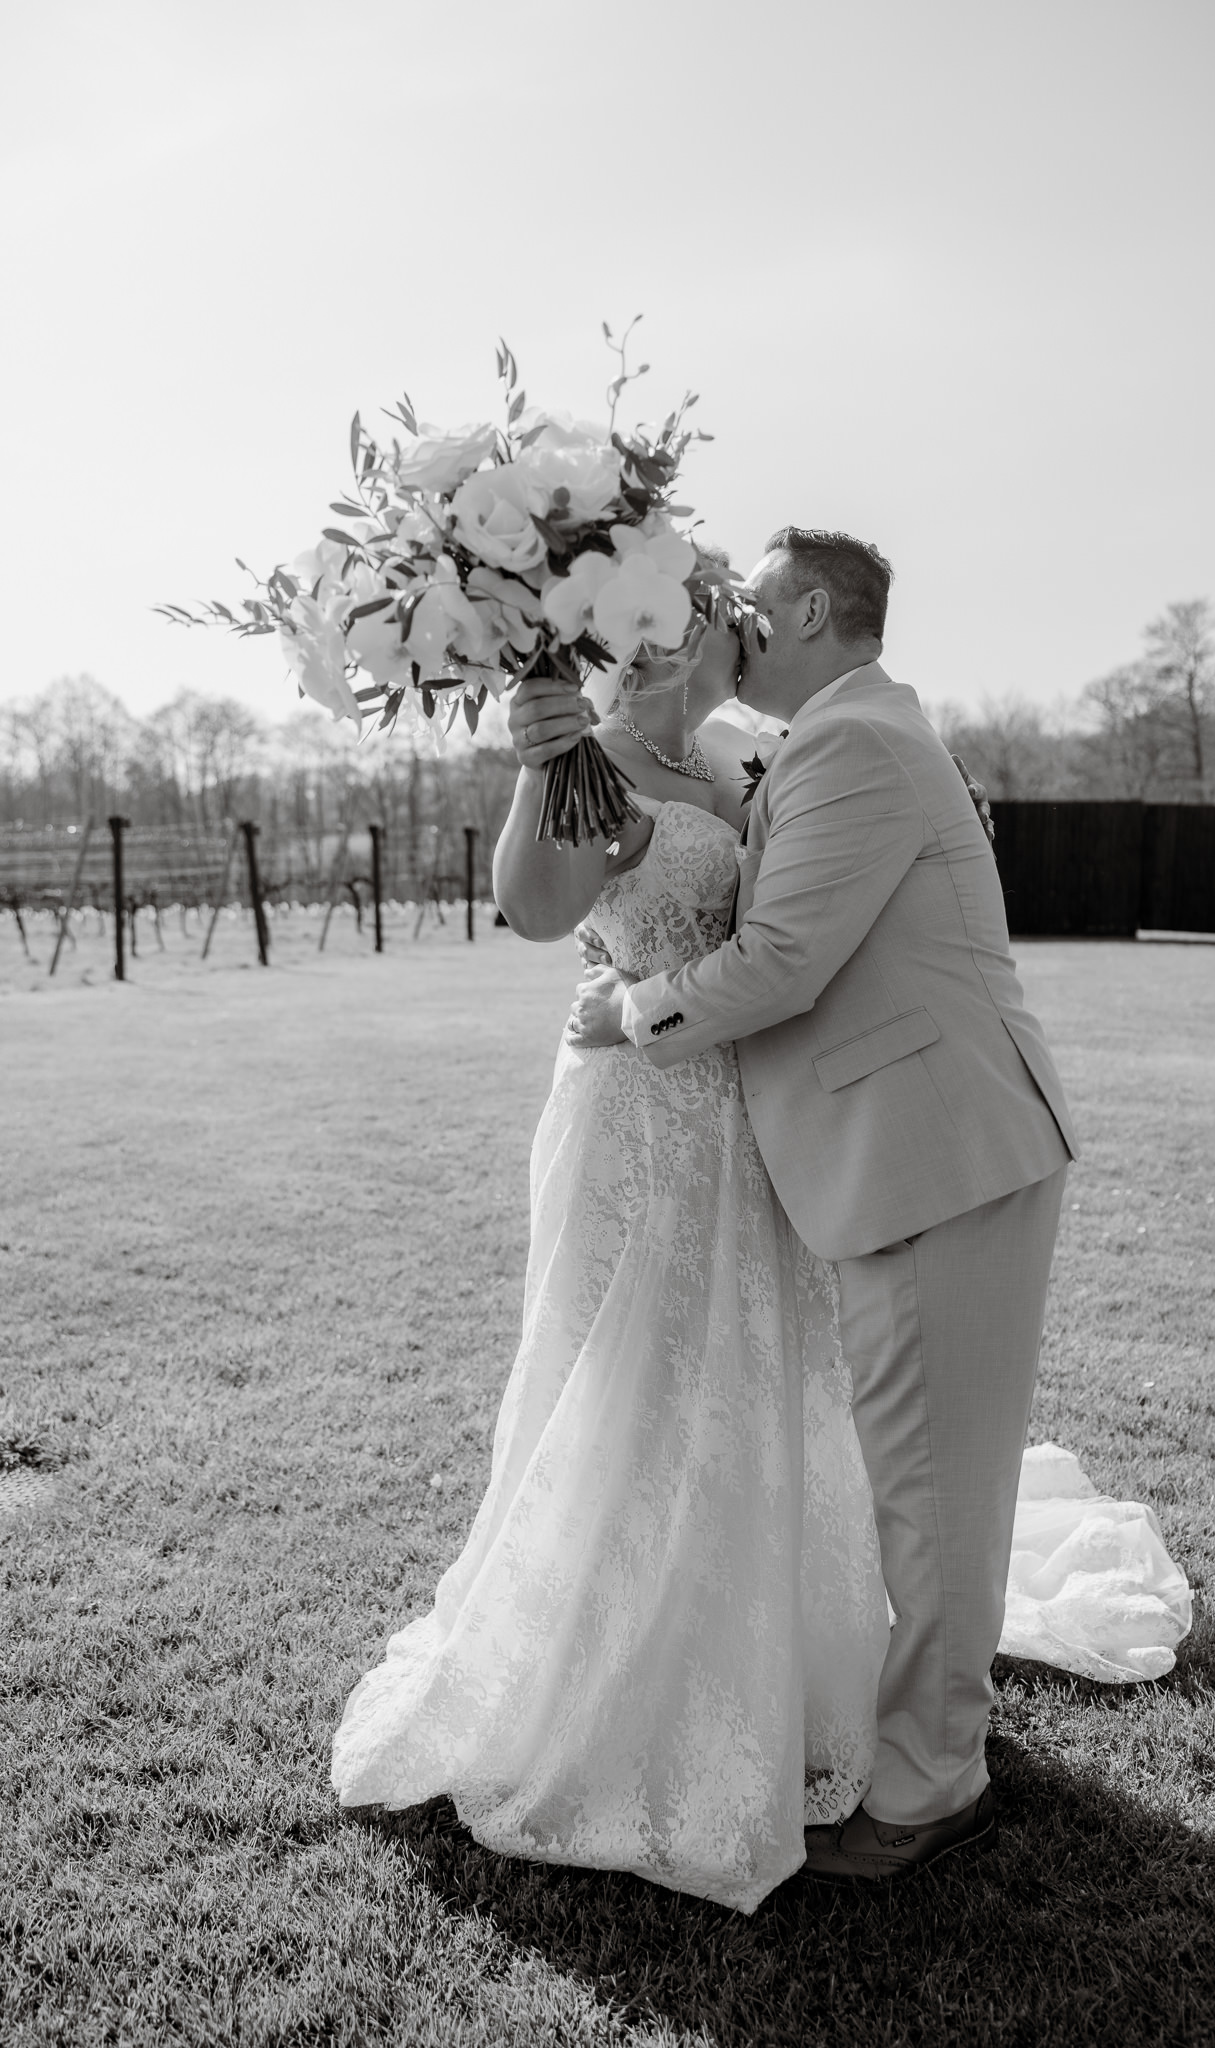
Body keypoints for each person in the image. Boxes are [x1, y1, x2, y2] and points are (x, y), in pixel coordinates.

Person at [330, 600, 890, 1915]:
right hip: (635, 1110)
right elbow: (535, 910)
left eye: (702, 615)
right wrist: (537, 765)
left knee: (755, 1363)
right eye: (704, 614)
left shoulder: (748, 757)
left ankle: (761, 1647)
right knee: (626, 1366)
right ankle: (601, 1664)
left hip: (753, 1105)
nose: (730, 634)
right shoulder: (587, 756)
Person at [568, 528, 1078, 1883]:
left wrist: (631, 1009)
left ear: (805, 611)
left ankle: (927, 1789)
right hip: (923, 1147)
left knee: (933, 1494)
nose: (729, 618)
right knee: (927, 1479)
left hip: (932, 1152)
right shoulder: (830, 738)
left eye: (748, 598)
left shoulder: (851, 743)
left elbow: (784, 960)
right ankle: (932, 1746)